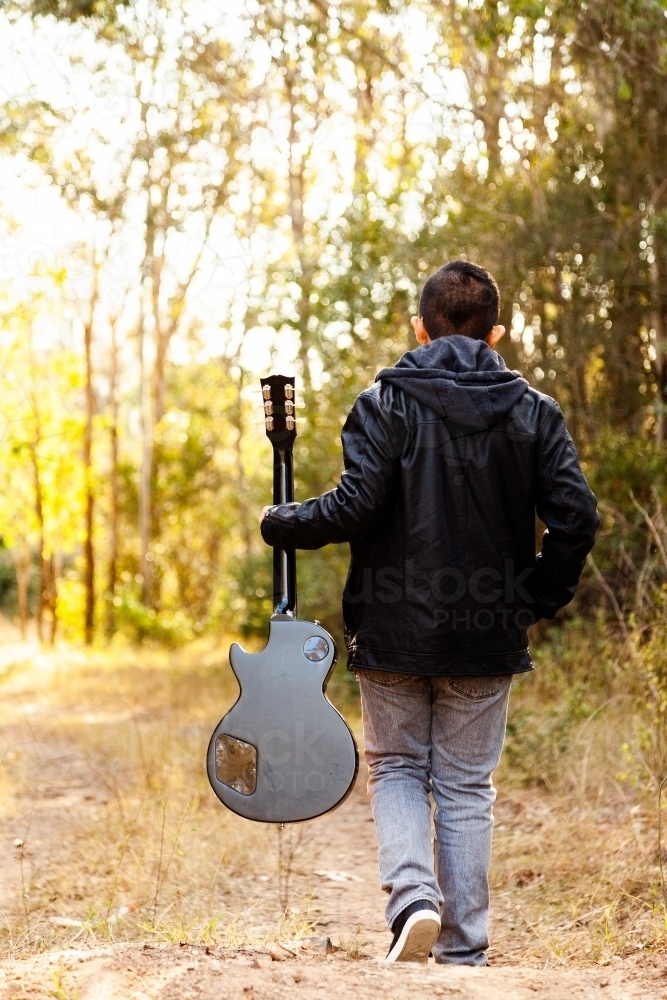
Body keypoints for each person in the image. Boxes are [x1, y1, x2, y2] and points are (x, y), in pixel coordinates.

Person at [259, 260, 598, 966]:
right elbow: (576, 519)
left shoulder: (383, 402)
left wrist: (280, 522)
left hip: (391, 627)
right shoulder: (534, 411)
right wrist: (530, 597)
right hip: (486, 630)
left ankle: (413, 900)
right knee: (466, 784)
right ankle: (463, 949)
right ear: (493, 335)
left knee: (398, 769)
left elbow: (355, 508)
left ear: (419, 328)